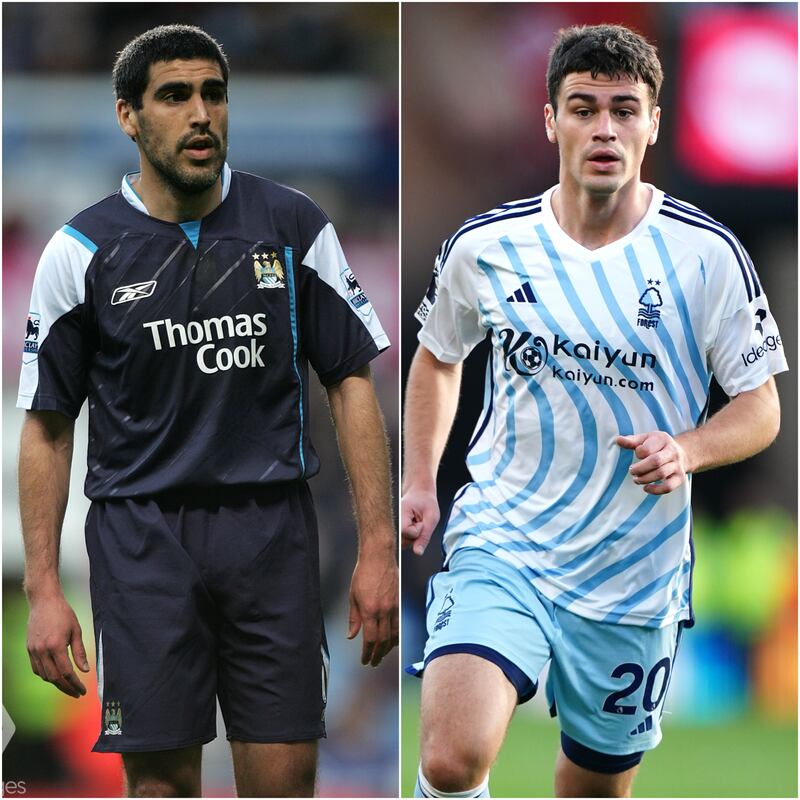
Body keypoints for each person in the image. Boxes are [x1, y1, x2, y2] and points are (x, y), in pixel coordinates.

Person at [401, 23, 786, 799]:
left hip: (632, 575)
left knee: (593, 787)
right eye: (583, 108)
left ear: (652, 120)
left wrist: (688, 449)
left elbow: (762, 406)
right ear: (551, 121)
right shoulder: (490, 246)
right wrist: (419, 480)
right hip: (504, 538)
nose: (604, 128)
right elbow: (438, 356)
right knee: (451, 757)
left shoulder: (706, 256)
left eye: (623, 108)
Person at [18, 24, 398, 798]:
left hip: (271, 538)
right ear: (128, 115)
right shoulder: (80, 251)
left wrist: (379, 550)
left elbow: (352, 382)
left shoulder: (292, 226)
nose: (201, 114)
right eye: (175, 96)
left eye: (214, 94)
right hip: (141, 543)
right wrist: (44, 590)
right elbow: (47, 425)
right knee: (159, 785)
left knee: (286, 781)